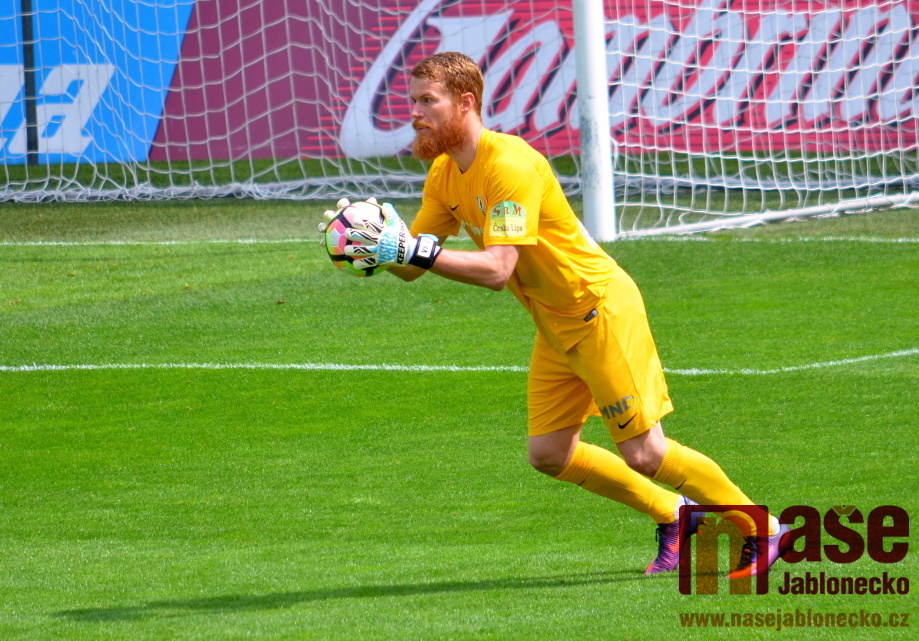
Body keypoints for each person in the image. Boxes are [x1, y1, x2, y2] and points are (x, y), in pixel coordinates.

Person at [327, 51, 790, 576]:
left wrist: (410, 249)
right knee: (549, 454)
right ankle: (675, 514)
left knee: (646, 453)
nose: (414, 113)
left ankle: (765, 529)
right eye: (412, 101)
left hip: (598, 311)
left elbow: (497, 269)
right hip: (554, 323)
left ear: (465, 102)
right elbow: (415, 265)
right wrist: (376, 249)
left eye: (427, 101)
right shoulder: (444, 174)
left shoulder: (509, 166)